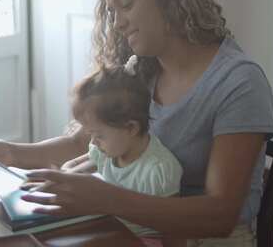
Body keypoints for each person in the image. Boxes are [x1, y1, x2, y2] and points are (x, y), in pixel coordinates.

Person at [0, 0, 273, 246]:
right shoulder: (141, 70)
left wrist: (105, 198)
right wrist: (10, 153)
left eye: (126, 4)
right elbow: (78, 143)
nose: (118, 22)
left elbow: (220, 217)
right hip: (139, 227)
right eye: (112, 11)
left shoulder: (239, 82)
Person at [52, 54, 184, 247]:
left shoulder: (160, 170)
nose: (94, 142)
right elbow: (79, 166)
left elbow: (174, 227)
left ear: (131, 128)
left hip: (144, 239)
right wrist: (62, 174)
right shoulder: (105, 152)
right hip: (108, 229)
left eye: (99, 135)